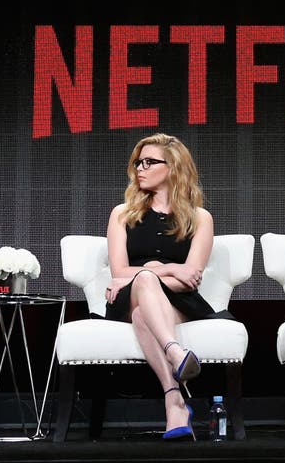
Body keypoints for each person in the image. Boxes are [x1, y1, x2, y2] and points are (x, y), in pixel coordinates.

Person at [104, 133, 226, 442]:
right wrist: (166, 269)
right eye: (138, 162)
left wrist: (157, 273)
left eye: (149, 162)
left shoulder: (200, 218)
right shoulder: (122, 213)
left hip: (177, 300)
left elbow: (192, 278)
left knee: (144, 311)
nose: (139, 169)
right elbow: (119, 271)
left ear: (172, 167)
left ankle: (174, 401)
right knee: (145, 280)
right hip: (129, 296)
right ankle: (175, 352)